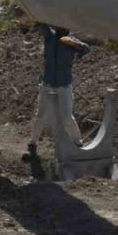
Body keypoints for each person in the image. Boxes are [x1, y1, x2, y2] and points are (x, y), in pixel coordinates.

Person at [27, 25, 93, 160]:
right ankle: (33, 142)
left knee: (67, 116)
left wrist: (76, 44)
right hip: (48, 82)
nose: (58, 28)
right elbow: (42, 25)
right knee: (41, 115)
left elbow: (86, 49)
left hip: (64, 83)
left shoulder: (71, 42)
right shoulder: (50, 37)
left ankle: (77, 142)